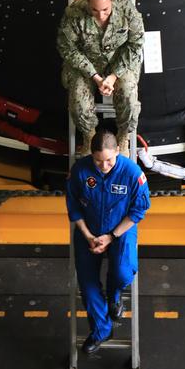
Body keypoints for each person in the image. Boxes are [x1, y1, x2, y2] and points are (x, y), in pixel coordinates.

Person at [66, 124, 151, 354]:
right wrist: (89, 236)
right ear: (91, 156)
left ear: (117, 154)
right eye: (98, 161)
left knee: (123, 272)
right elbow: (73, 207)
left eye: (109, 161)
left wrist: (111, 236)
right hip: (89, 231)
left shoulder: (132, 174)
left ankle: (114, 296)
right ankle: (102, 330)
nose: (104, 167)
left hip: (120, 230)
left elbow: (139, 210)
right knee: (88, 284)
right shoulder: (80, 171)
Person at [56, 0, 145, 154]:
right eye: (95, 10)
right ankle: (89, 136)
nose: (101, 15)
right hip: (86, 63)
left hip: (120, 62)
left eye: (105, 10)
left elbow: (136, 45)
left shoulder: (126, 10)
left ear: (111, 0)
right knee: (78, 102)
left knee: (129, 95)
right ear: (88, 2)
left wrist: (113, 76)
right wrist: (95, 77)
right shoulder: (74, 13)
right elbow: (67, 49)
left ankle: (123, 136)